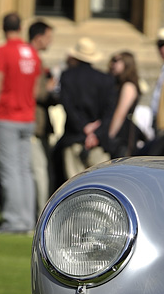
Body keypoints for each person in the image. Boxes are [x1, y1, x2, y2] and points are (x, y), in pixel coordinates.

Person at [0, 12, 41, 234]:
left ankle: (14, 221)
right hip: (27, 116)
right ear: (21, 26)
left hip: (7, 115)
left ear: (3, 27)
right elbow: (35, 87)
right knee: (25, 170)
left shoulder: (3, 52)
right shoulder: (32, 53)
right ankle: (27, 219)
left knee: (10, 171)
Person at [54, 37, 116, 182]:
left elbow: (68, 106)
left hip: (74, 137)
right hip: (98, 142)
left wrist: (84, 128)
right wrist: (95, 133)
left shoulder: (67, 77)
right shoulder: (106, 79)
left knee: (73, 186)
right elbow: (109, 112)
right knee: (100, 185)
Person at [28, 20, 56, 209]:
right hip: (34, 124)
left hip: (37, 124)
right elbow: (36, 93)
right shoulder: (33, 60)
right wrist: (51, 87)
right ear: (38, 38)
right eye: (48, 38)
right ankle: (40, 215)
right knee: (39, 170)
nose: (50, 42)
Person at [105, 50, 145, 157]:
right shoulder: (118, 84)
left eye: (116, 61)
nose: (112, 64)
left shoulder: (128, 86)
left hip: (122, 134)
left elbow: (120, 113)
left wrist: (109, 137)